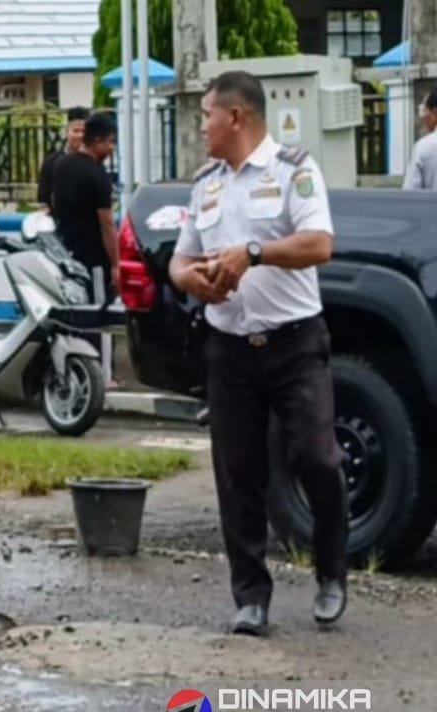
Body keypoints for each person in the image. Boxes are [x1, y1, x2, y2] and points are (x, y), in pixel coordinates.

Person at [169, 71, 348, 636]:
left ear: (236, 117)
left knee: (318, 458)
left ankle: (332, 571)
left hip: (294, 343)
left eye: (206, 115)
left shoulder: (294, 169)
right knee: (236, 472)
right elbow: (180, 260)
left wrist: (253, 252)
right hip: (229, 347)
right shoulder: (206, 185)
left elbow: (319, 244)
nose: (202, 126)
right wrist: (191, 280)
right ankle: (250, 596)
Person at [50, 112, 120, 383]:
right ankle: (103, 374)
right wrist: (115, 264)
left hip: (66, 254)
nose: (112, 149)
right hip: (93, 259)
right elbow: (107, 225)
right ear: (98, 141)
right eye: (111, 142)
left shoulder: (61, 166)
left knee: (75, 313)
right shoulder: (97, 175)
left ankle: (77, 369)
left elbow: (55, 205)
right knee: (99, 313)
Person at [38, 106, 90, 208]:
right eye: (75, 131)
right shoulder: (51, 162)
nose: (80, 135)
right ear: (67, 132)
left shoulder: (94, 161)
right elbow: (44, 199)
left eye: (83, 131)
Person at [402, 89, 437, 191]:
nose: (423, 118)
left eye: (424, 112)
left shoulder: (424, 147)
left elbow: (410, 194)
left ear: (435, 112)